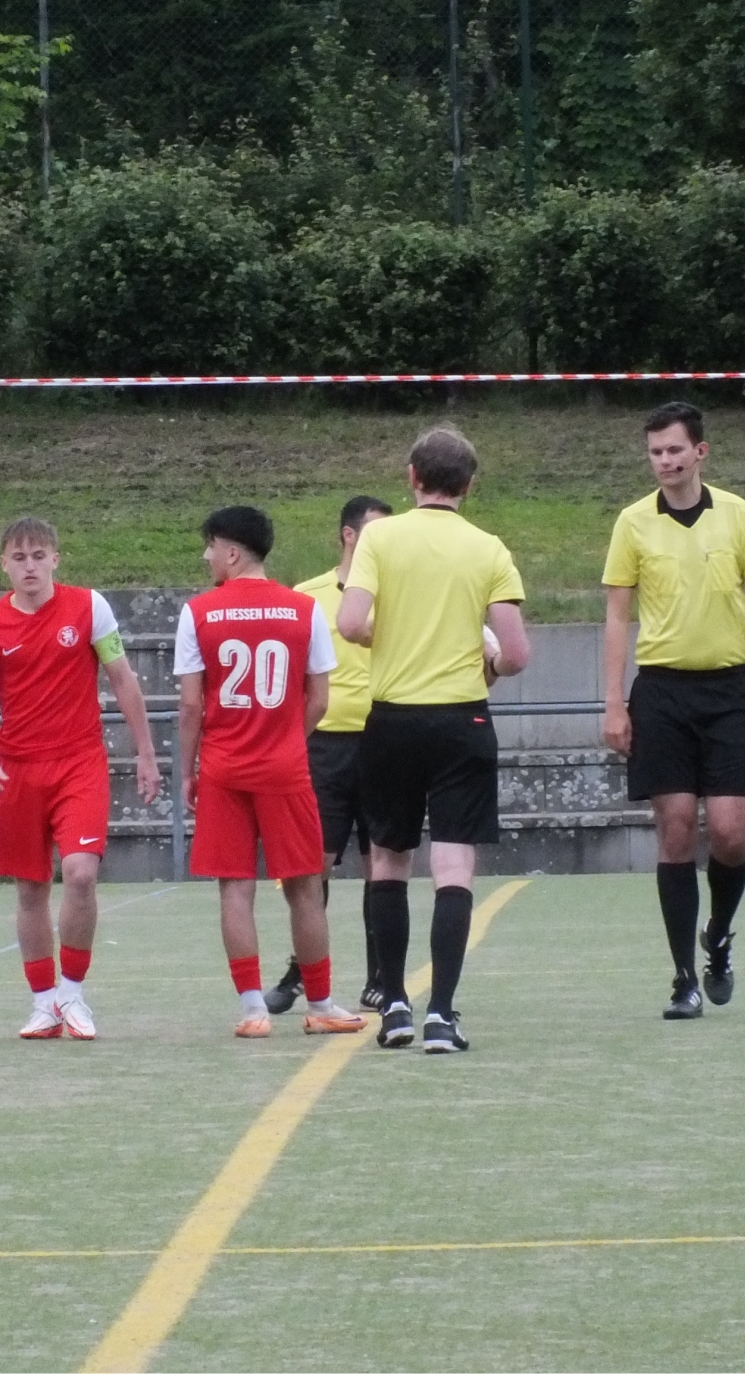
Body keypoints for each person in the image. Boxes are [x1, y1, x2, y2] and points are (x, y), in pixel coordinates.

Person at [338, 427, 531, 1053]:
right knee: (453, 867)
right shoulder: (488, 548)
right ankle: (441, 1014)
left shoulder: (380, 537)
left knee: (388, 859)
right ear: (469, 485)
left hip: (392, 719)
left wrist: (389, 636)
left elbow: (350, 622)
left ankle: (394, 1004)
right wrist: (488, 660)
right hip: (461, 722)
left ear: (412, 477)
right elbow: (516, 655)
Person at [601, 402, 745, 1020]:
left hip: (727, 691)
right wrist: (613, 702)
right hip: (661, 693)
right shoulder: (632, 522)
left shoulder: (734, 512)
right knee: (677, 826)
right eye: (656, 452)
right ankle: (683, 976)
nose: (665, 461)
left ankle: (719, 935)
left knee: (733, 833)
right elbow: (617, 617)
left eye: (675, 450)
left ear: (700, 452)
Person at [0, 517, 161, 1040]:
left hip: (79, 762)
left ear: (55, 559)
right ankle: (43, 1002)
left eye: (38, 555)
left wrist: (145, 753)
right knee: (30, 888)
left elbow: (123, 679)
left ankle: (72, 992)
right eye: (19, 557)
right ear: (4, 565)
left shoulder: (90, 608)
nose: (30, 566)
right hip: (19, 770)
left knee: (80, 873)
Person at [176, 506, 367, 1039]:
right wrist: (284, 740)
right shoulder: (305, 609)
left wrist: (187, 769)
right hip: (286, 769)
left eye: (211, 546)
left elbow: (190, 706)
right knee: (304, 887)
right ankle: (321, 1003)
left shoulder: (198, 612)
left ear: (233, 552)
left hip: (223, 767)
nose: (207, 556)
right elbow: (320, 699)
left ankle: (252, 1010)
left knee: (235, 889)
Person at [268, 494, 393, 1015]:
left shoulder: (398, 593)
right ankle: (303, 969)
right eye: (376, 532)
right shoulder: (308, 596)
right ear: (348, 535)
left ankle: (381, 977)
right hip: (323, 746)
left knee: (382, 861)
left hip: (385, 738)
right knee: (311, 864)